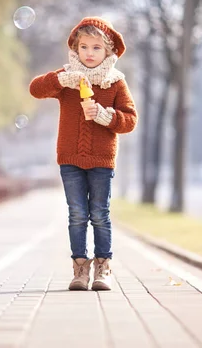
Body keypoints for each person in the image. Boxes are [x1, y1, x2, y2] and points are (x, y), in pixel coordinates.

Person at [29, 16, 137, 291]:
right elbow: (35, 89)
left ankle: (103, 267)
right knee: (77, 213)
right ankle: (79, 269)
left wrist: (104, 115)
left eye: (96, 48)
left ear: (109, 52)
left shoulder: (115, 83)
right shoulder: (67, 80)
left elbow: (130, 120)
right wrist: (59, 79)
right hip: (70, 158)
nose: (89, 53)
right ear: (75, 49)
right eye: (84, 47)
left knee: (99, 213)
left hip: (102, 159)